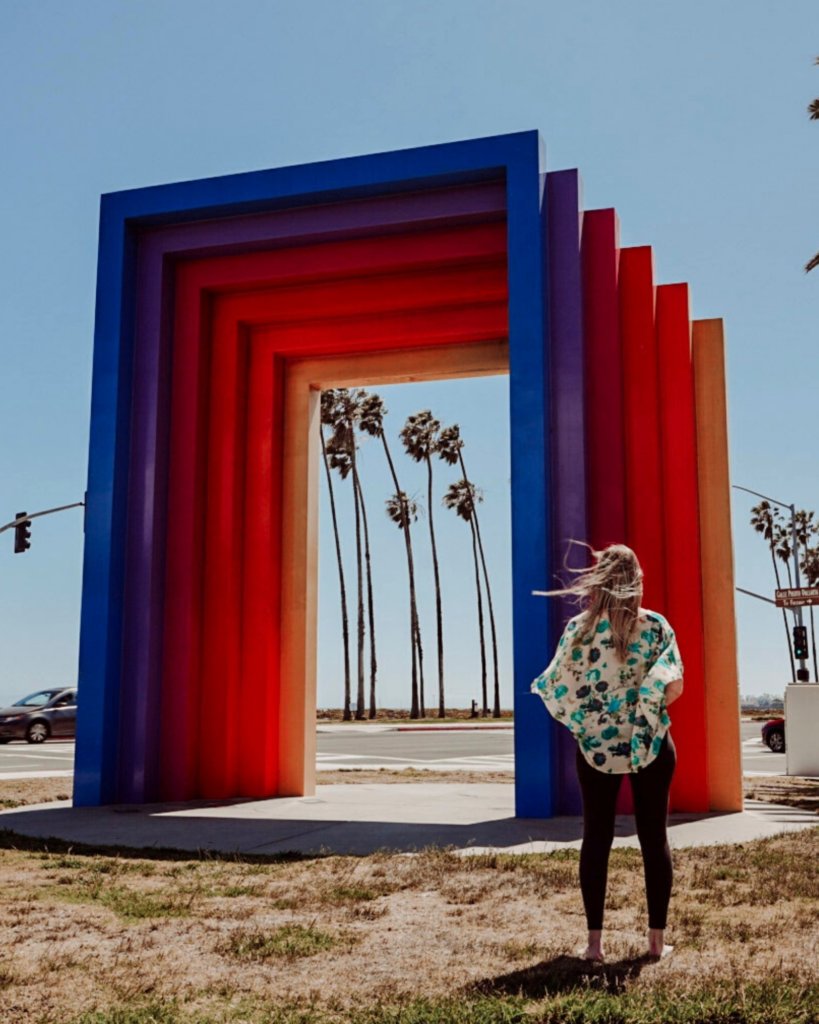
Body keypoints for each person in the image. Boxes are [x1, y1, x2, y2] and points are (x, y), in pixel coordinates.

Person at [530, 543, 684, 963]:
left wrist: (589, 722)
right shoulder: (655, 627)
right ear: (637, 579)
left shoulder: (579, 629)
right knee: (655, 838)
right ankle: (655, 943)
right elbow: (672, 685)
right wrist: (643, 708)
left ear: (600, 578)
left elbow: (557, 685)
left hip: (597, 748)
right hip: (650, 744)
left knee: (595, 838)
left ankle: (594, 945)